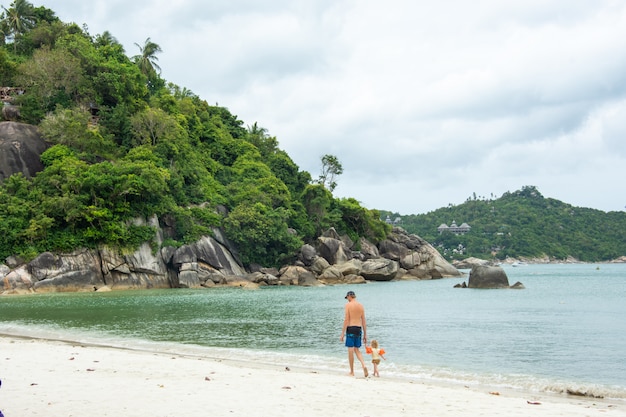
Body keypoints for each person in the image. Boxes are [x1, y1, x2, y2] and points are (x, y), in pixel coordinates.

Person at [340, 290, 368, 377]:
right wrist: (365, 334)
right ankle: (364, 365)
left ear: (349, 296)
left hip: (351, 328)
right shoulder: (361, 306)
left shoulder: (348, 305)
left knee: (350, 351)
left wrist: (342, 333)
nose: (347, 299)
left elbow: (346, 319)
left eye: (347, 298)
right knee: (357, 349)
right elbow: (363, 320)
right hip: (358, 329)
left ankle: (352, 371)